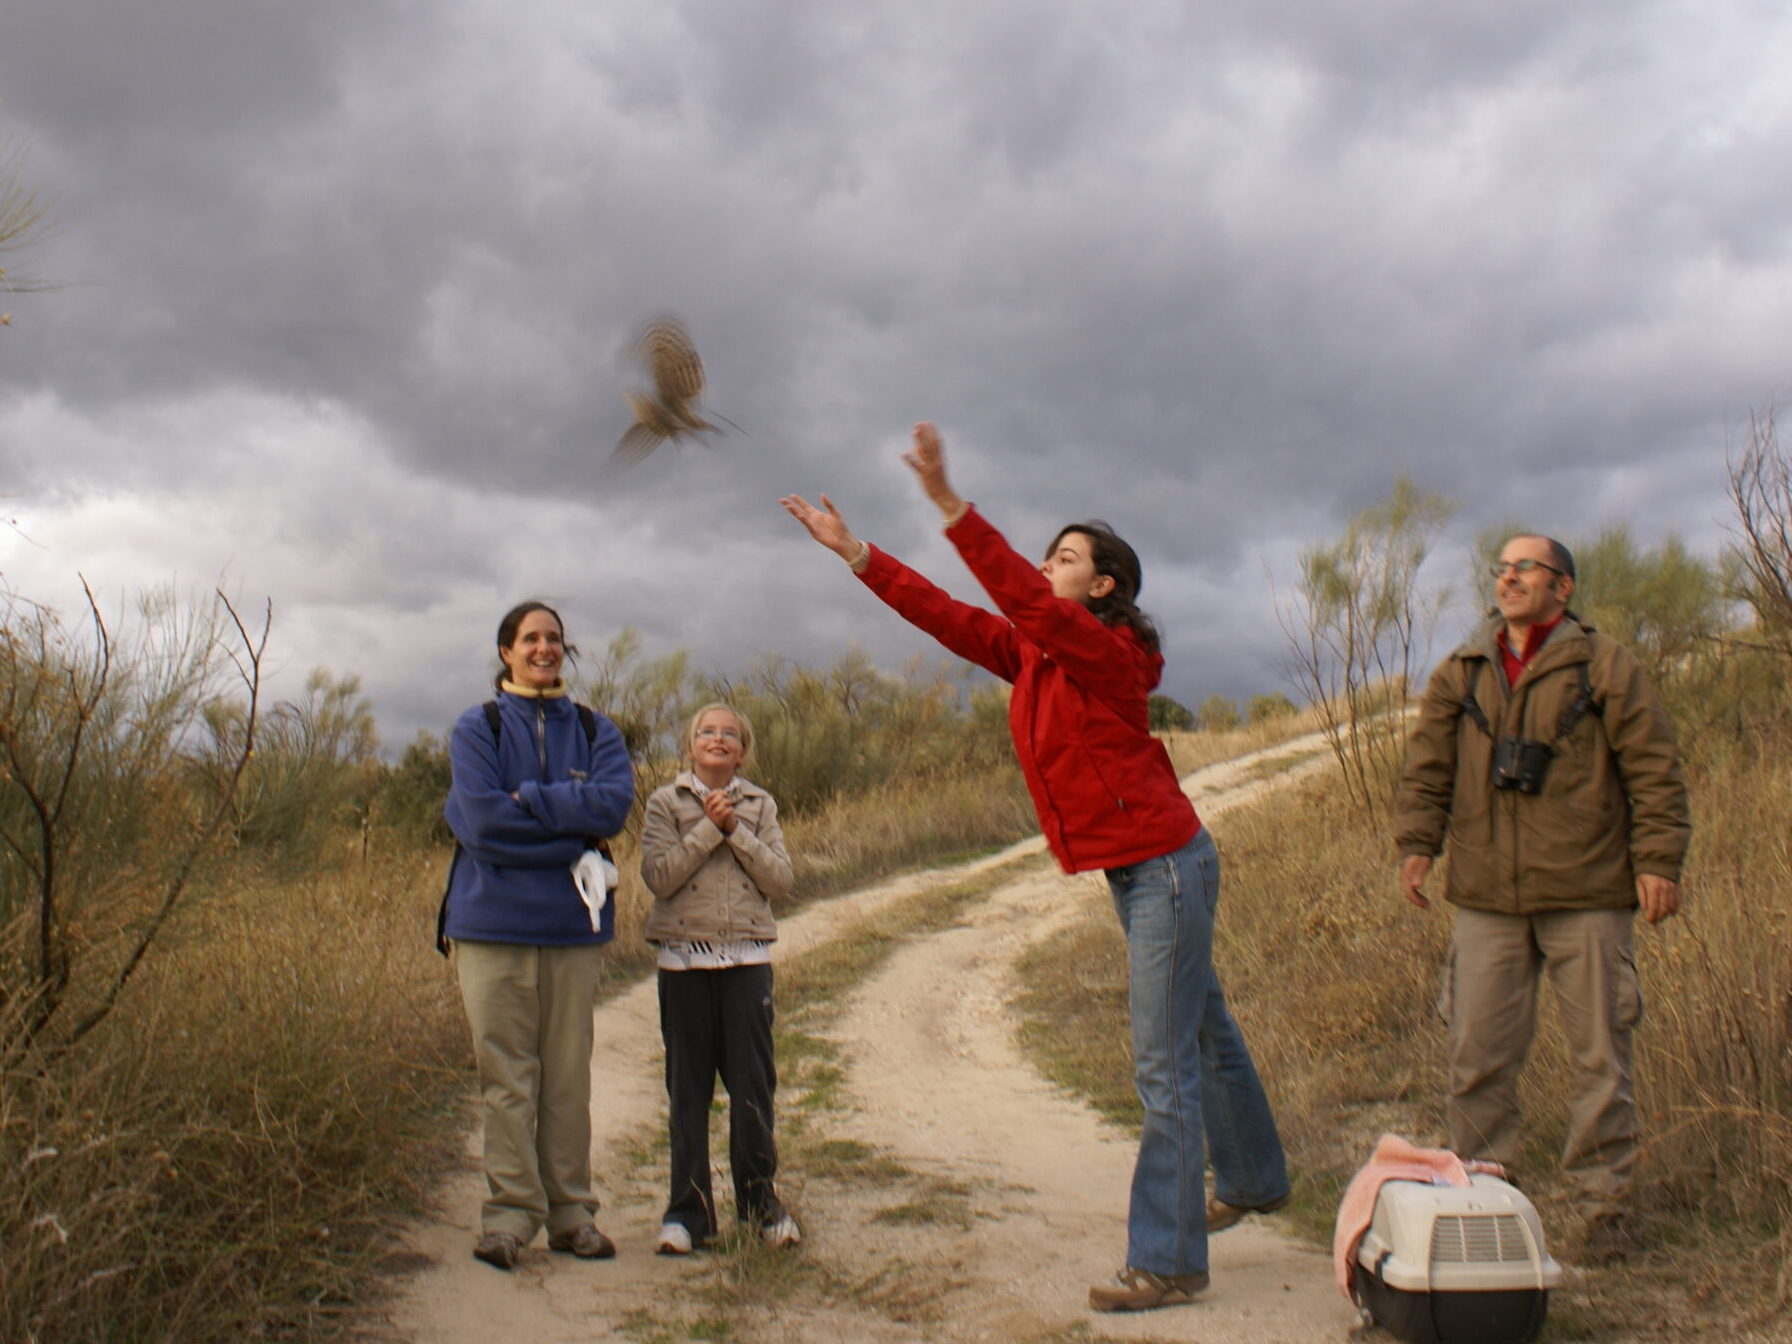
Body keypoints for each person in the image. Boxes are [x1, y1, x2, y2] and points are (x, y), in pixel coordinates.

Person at [781, 423, 1288, 1314]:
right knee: (1204, 1027)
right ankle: (1252, 1179)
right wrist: (857, 552)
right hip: (1143, 871)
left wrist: (950, 506)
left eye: (1065, 557)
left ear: (1105, 587)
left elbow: (1025, 602)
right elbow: (945, 614)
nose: (1049, 566)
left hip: (1165, 867)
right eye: (1047, 555)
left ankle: (1167, 1260)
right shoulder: (1035, 653)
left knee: (1163, 1064)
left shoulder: (1110, 654)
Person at [1394, 534, 1690, 1261]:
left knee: (1601, 1057)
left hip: (1588, 891)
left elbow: (1655, 766)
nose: (1508, 578)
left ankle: (1602, 1211)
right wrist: (1417, 845)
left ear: (1564, 586)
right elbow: (1426, 764)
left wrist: (1658, 859)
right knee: (1478, 1053)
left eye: (1525, 567)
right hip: (1488, 897)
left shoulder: (1605, 663)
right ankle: (1483, 1201)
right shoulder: (1465, 669)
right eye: (1500, 567)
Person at [442, 600, 635, 1271]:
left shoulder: (594, 728)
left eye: (554, 638)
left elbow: (612, 805)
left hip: (571, 929)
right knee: (506, 1077)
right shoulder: (478, 728)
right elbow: (481, 825)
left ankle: (571, 1215)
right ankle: (509, 1218)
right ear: (507, 651)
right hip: (489, 925)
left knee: (566, 1077)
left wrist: (529, 799)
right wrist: (570, 831)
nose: (544, 648)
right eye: (530, 638)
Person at [639, 703, 801, 1255]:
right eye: (707, 731)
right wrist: (710, 829)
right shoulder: (665, 802)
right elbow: (659, 877)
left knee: (753, 1089)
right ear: (690, 745)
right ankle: (687, 1214)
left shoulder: (760, 804)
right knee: (688, 1091)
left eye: (730, 734)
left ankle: (760, 1205)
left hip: (747, 965)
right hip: (683, 965)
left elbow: (779, 879)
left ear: (743, 749)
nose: (718, 739)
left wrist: (736, 829)